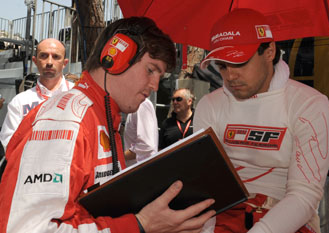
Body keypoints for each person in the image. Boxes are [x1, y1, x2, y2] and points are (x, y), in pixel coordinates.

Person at [0, 16, 215, 233]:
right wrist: (140, 225)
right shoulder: (66, 120)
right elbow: (26, 229)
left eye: (160, 75)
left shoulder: (100, 115)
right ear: (116, 56)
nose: (155, 85)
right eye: (151, 70)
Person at [194, 8, 329, 233]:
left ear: (269, 51)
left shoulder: (309, 104)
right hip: (222, 215)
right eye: (222, 66)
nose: (229, 76)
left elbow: (304, 195)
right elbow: (206, 186)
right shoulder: (210, 105)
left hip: (288, 217)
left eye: (239, 63)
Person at [0, 38, 74, 150]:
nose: (49, 62)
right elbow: (9, 143)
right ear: (35, 61)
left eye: (56, 57)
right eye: (43, 56)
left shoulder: (80, 96)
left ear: (64, 63)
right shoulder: (20, 101)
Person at [123, 97, 158, 166]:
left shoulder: (141, 105)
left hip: (140, 170)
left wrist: (119, 157)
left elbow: (146, 145)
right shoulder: (137, 105)